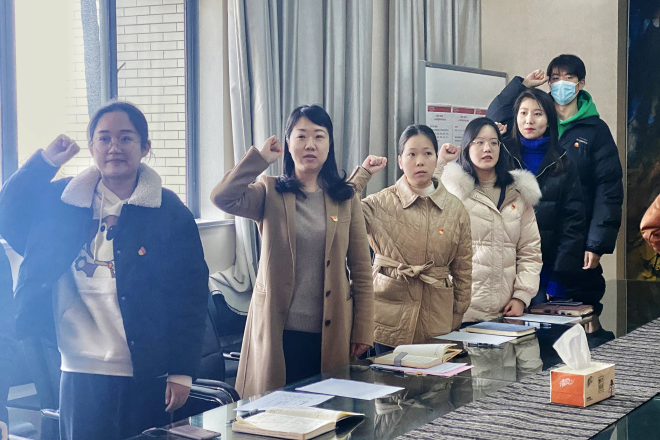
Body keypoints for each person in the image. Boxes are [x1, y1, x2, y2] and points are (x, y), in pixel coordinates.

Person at [0, 101, 209, 440]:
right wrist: (45, 163)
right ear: (92, 146)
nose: (114, 147)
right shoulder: (63, 201)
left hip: (146, 370)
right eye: (104, 138)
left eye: (126, 138)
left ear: (145, 146)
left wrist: (182, 372)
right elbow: (7, 212)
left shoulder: (168, 210)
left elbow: (191, 294)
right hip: (78, 366)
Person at [211, 104, 374, 398]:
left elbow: (362, 270)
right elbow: (222, 198)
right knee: (274, 412)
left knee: (328, 412)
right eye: (301, 136)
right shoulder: (269, 191)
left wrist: (363, 329)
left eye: (319, 136)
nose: (310, 144)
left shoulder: (345, 197)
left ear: (329, 145)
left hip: (331, 333)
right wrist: (259, 160)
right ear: (288, 144)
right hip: (278, 332)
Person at [487, 54, 623, 316]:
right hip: (520, 248)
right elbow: (494, 118)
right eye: (555, 78)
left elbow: (609, 190)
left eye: (568, 78)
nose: (561, 84)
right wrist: (522, 85)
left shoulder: (595, 130)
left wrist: (596, 243)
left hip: (571, 240)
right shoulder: (527, 132)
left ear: (581, 83)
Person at [346, 124, 472, 353]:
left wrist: (456, 316)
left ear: (436, 159)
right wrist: (363, 174)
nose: (420, 161)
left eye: (427, 153)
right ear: (400, 161)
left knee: (435, 377)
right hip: (386, 320)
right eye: (411, 154)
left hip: (437, 320)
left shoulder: (456, 209)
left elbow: (463, 270)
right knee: (387, 376)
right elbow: (342, 211)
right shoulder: (379, 203)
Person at [437, 117, 542, 322]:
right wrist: (441, 162)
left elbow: (530, 251)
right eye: (480, 142)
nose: (488, 148)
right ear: (467, 146)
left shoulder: (517, 193)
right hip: (460, 312)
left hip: (505, 313)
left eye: (494, 143)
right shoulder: (453, 192)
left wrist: (521, 296)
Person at [495, 88, 586, 305]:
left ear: (549, 119)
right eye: (523, 113)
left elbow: (572, 224)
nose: (529, 120)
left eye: (537, 113)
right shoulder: (500, 155)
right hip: (499, 273)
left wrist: (559, 278)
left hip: (544, 276)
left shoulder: (564, 162)